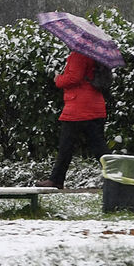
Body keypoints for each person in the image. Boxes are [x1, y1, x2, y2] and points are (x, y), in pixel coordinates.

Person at [36, 50, 110, 189]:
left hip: (78, 107)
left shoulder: (79, 55)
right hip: (95, 105)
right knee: (99, 147)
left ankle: (55, 180)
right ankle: (117, 177)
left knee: (66, 146)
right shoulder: (97, 54)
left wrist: (58, 79)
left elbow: (73, 78)